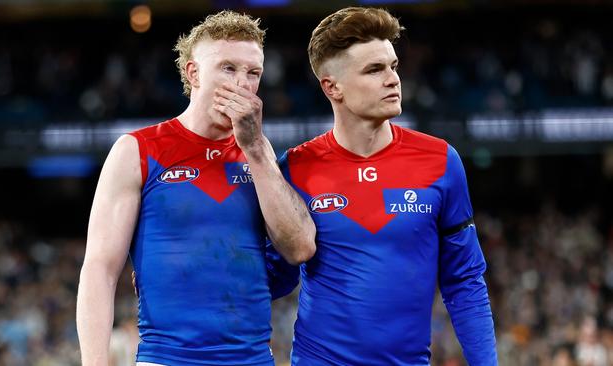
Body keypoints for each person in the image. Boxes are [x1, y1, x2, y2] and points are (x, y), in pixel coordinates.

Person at [76, 11, 316, 366]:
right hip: (166, 358)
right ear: (193, 73)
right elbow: (100, 268)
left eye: (253, 73)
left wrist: (256, 151)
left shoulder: (265, 158)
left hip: (252, 359)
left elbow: (299, 248)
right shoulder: (139, 151)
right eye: (228, 68)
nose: (242, 84)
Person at [278, 7, 497, 365]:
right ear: (332, 87)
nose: (393, 79)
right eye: (374, 70)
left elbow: (465, 281)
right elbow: (277, 279)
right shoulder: (296, 168)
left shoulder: (441, 161)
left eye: (393, 66)